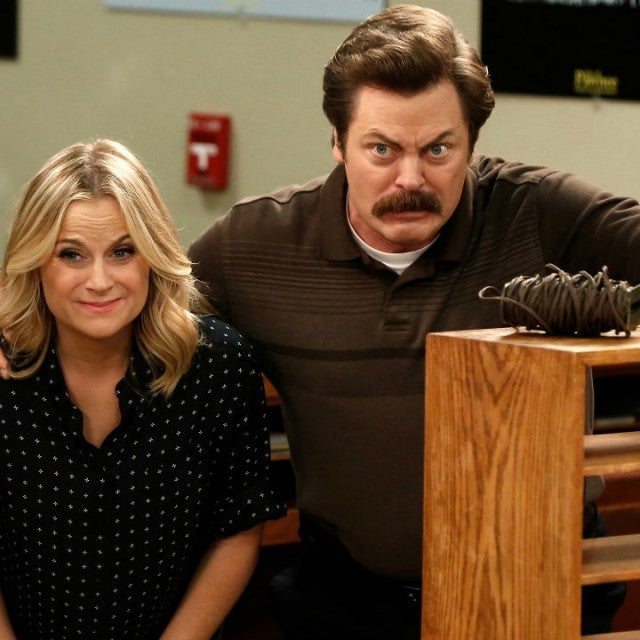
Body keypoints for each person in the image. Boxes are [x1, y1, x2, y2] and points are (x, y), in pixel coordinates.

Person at [187, 5, 640, 639]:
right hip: (345, 601)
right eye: (382, 149)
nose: (410, 179)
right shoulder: (252, 246)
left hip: (537, 588)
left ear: (471, 144)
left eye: (438, 150)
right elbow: (132, 317)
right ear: (338, 142)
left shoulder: (540, 215)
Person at [0, 139, 285, 640]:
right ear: (36, 261)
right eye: (71, 254)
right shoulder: (6, 373)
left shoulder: (218, 365)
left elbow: (238, 528)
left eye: (122, 251)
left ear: (152, 256)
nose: (99, 280)